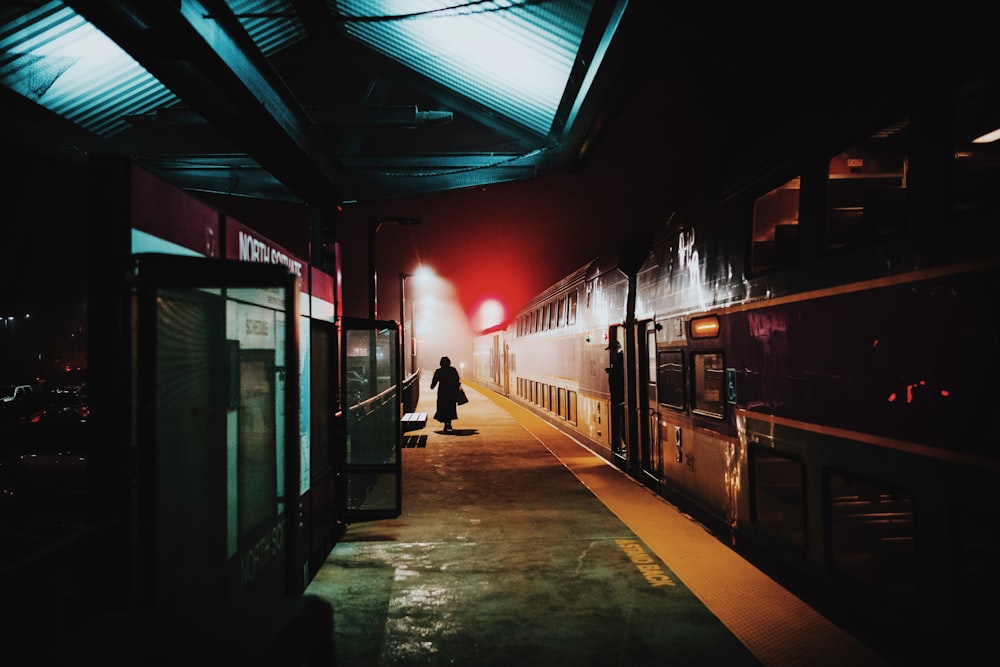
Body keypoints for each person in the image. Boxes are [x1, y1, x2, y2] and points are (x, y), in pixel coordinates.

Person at [430, 356, 462, 432]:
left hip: (442, 392)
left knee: (443, 407)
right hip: (451, 392)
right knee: (450, 407)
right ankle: (449, 422)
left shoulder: (438, 371)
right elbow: (457, 379)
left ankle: (445, 424)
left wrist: (432, 386)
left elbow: (434, 382)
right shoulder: (453, 370)